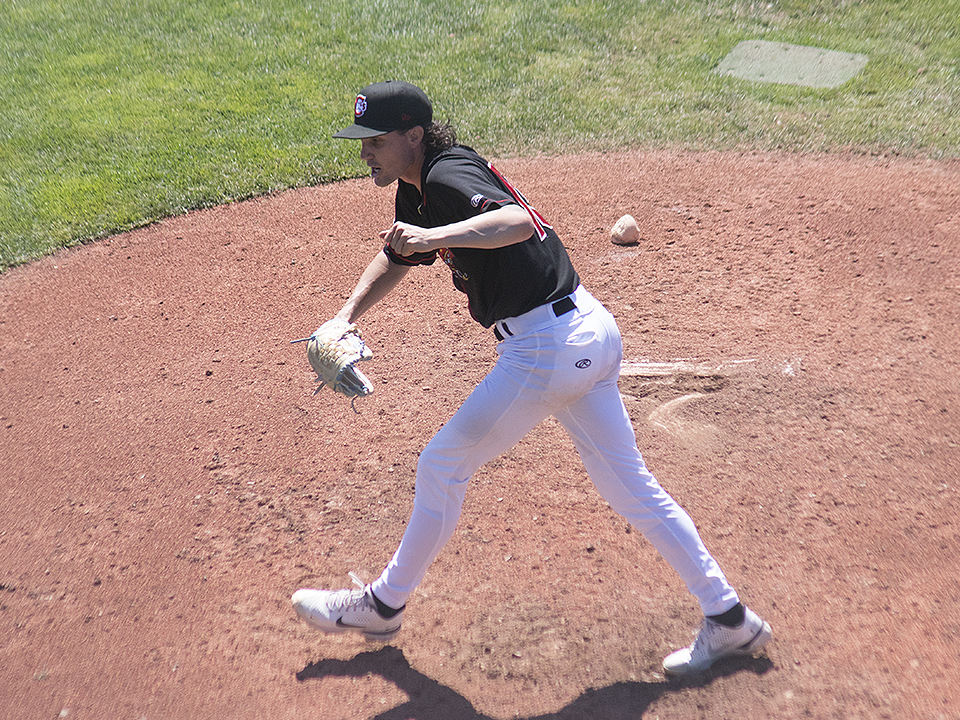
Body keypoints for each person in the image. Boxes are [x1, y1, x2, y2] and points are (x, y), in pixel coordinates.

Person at [291, 80, 772, 675]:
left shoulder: (443, 180)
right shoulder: (418, 191)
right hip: (587, 332)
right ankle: (730, 621)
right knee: (631, 487)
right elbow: (398, 255)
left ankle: (383, 605)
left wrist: (436, 236)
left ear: (414, 136)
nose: (366, 151)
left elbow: (518, 221)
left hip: (544, 348)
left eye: (377, 140)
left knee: (441, 464)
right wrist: (342, 317)